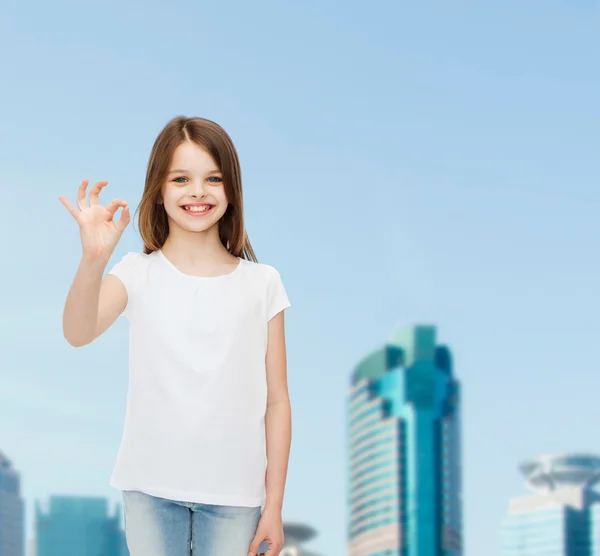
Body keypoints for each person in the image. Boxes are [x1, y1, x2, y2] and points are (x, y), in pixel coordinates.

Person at [59, 116, 292, 556]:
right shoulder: (136, 272)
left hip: (235, 497)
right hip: (149, 489)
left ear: (232, 189)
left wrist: (274, 505)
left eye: (213, 179)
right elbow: (77, 332)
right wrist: (94, 258)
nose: (197, 192)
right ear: (159, 190)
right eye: (181, 178)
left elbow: (277, 400)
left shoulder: (263, 283)